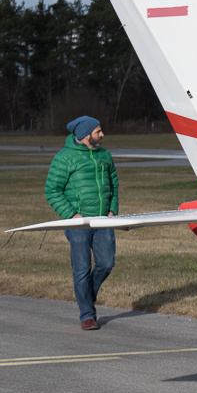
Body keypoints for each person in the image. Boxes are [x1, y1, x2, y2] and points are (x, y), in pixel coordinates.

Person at [44, 116, 119, 330]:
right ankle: (87, 316)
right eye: (98, 131)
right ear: (86, 136)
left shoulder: (104, 155)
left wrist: (113, 209)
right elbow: (52, 190)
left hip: (102, 220)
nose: (102, 134)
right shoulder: (64, 158)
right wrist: (70, 215)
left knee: (107, 263)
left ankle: (87, 295)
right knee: (82, 269)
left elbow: (114, 184)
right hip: (78, 223)